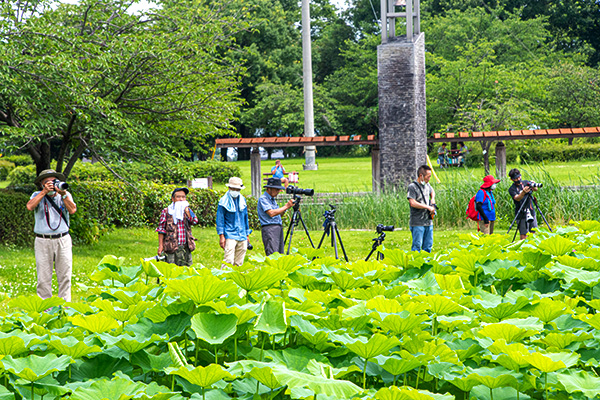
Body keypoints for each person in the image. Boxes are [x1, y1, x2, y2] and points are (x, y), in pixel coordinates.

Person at [26, 169, 77, 302]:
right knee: (43, 278)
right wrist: (44, 193)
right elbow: (30, 207)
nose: (51, 184)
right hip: (43, 241)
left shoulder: (65, 195)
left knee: (65, 275)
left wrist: (64, 194)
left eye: (54, 181)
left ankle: (64, 307)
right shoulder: (37, 195)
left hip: (63, 239)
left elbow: (72, 210)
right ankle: (45, 308)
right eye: (47, 182)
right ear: (42, 184)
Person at [156, 188, 199, 266]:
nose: (181, 199)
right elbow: (161, 229)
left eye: (183, 197)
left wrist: (187, 212)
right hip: (171, 247)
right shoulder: (167, 211)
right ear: (173, 199)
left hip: (186, 246)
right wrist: (161, 246)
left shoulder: (187, 210)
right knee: (171, 270)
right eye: (178, 197)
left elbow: (195, 221)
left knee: (187, 271)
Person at [216, 177, 251, 266]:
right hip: (230, 234)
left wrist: (247, 234)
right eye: (233, 189)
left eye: (237, 189)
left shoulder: (243, 201)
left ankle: (236, 279)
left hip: (242, 234)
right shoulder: (223, 202)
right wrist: (221, 236)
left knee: (239, 262)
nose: (235, 191)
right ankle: (224, 278)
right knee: (228, 260)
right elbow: (220, 220)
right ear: (229, 188)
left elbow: (245, 218)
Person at [257, 177, 295, 256]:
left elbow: (278, 215)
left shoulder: (272, 199)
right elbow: (271, 213)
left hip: (278, 227)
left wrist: (285, 209)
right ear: (269, 188)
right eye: (276, 189)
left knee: (280, 254)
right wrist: (286, 206)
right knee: (273, 255)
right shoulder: (263, 199)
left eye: (279, 190)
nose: (278, 192)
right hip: (269, 228)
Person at [407, 165, 437, 252]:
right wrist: (427, 207)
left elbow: (432, 191)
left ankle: (426, 264)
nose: (429, 179)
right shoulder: (412, 187)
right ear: (421, 176)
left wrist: (433, 199)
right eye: (428, 177)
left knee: (428, 247)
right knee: (417, 247)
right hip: (417, 222)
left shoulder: (427, 185)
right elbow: (412, 203)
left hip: (428, 222)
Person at [508, 168, 538, 240]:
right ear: (512, 179)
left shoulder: (525, 183)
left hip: (531, 210)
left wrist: (534, 185)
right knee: (523, 234)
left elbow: (535, 189)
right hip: (521, 213)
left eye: (519, 177)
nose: (519, 179)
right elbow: (517, 198)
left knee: (534, 232)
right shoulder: (512, 189)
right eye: (516, 178)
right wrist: (523, 192)